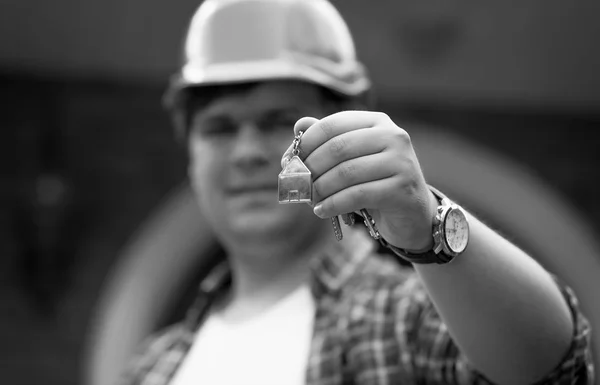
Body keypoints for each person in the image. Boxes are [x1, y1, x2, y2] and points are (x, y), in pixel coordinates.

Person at [121, 0, 593, 384]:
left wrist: (428, 224)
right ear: (190, 153)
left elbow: (554, 368)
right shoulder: (151, 366)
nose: (247, 152)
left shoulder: (405, 316)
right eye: (219, 128)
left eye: (274, 122)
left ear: (342, 132)